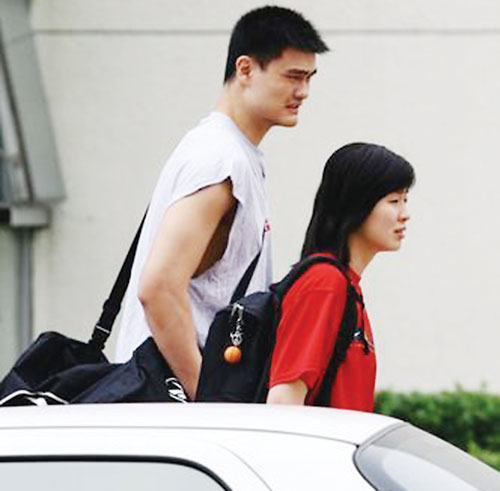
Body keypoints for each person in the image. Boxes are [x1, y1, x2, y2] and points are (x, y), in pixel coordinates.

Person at [114, 6, 329, 401]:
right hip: (172, 405)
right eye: (293, 76)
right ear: (245, 70)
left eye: (309, 78)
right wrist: (207, 401)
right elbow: (158, 287)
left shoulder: (226, 151)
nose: (304, 92)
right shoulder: (220, 159)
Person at [267, 142, 415, 411]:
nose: (404, 215)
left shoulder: (347, 286)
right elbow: (283, 400)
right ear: (356, 204)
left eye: (405, 200)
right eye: (394, 201)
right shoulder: (324, 283)